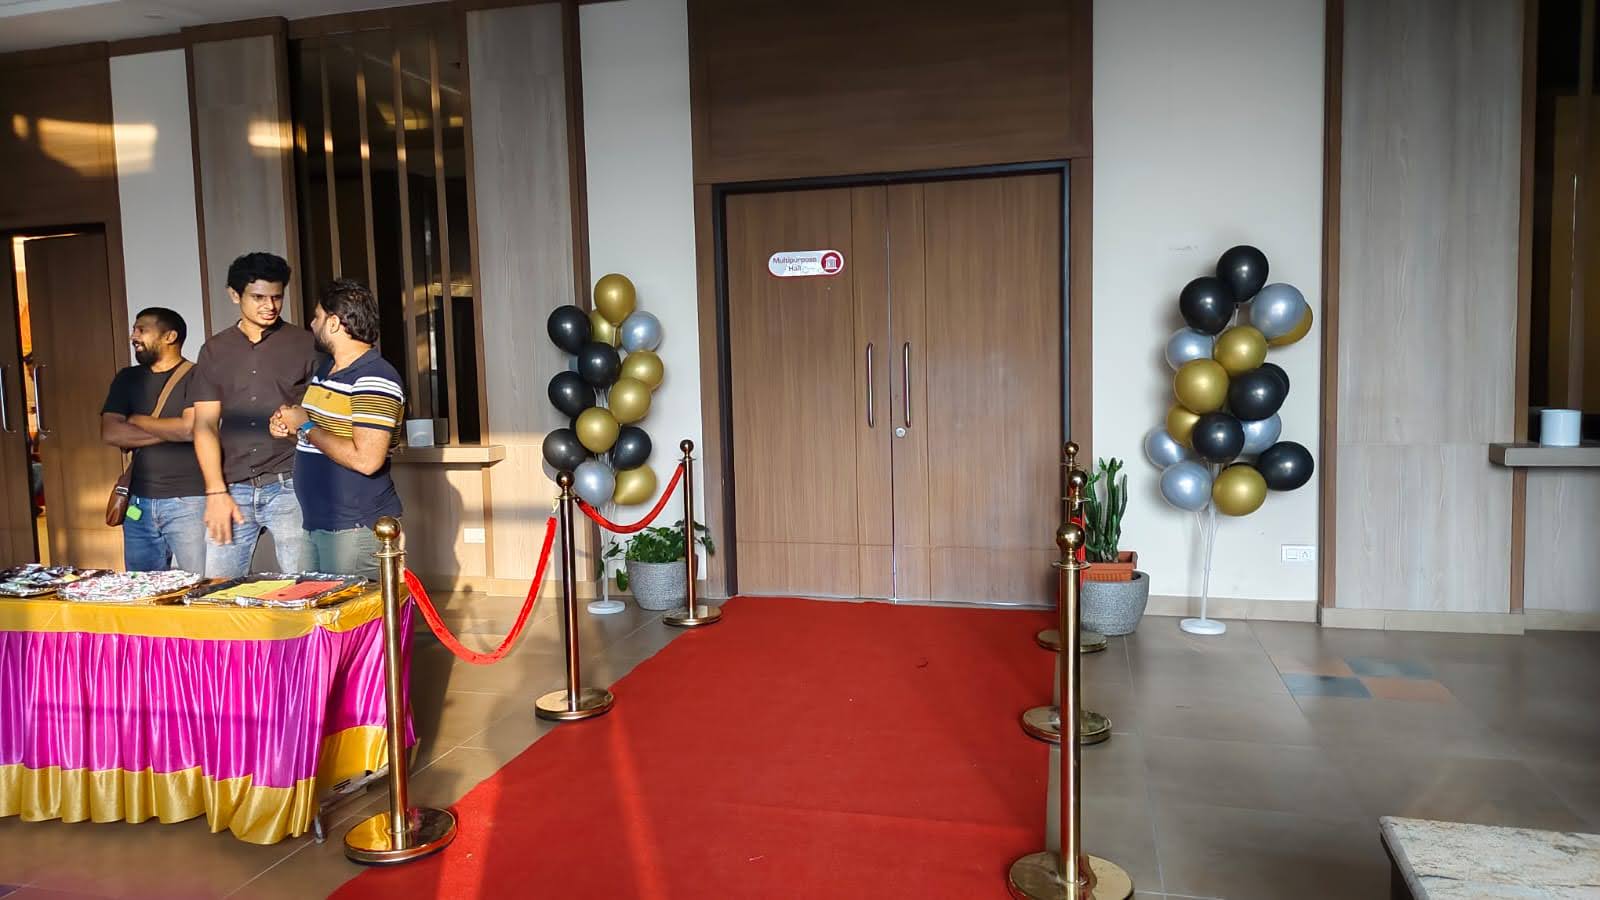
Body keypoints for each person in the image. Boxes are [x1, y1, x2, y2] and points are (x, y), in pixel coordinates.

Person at [190, 252, 318, 577]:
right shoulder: (215, 350)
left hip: (291, 483)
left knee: (305, 587)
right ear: (235, 295)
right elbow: (204, 424)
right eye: (259, 297)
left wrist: (296, 419)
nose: (270, 306)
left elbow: (324, 410)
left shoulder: (305, 344)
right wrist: (215, 491)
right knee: (218, 589)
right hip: (232, 487)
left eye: (277, 297)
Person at [269, 279, 404, 579]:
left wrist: (305, 424)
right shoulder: (326, 370)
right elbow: (323, 437)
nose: (311, 324)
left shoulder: (375, 377)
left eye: (316, 316)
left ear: (333, 323)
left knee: (351, 609)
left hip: (352, 529)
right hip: (318, 524)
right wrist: (291, 429)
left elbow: (367, 460)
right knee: (316, 607)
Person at [100, 308, 204, 572]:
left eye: (142, 330)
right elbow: (111, 432)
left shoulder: (197, 376)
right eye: (134, 329)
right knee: (141, 587)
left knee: (198, 585)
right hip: (138, 501)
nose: (133, 336)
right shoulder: (127, 378)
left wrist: (137, 420)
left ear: (170, 336)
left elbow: (190, 431)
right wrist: (174, 430)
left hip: (190, 501)